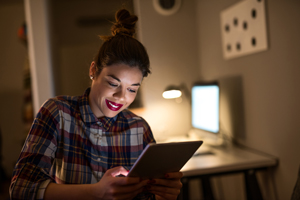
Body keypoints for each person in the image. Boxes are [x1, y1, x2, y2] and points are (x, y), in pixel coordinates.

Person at [9, 8, 183, 200]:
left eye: (132, 89)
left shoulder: (139, 128)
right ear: (93, 70)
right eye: (113, 83)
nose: (121, 97)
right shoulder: (57, 113)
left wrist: (165, 195)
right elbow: (20, 189)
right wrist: (95, 192)